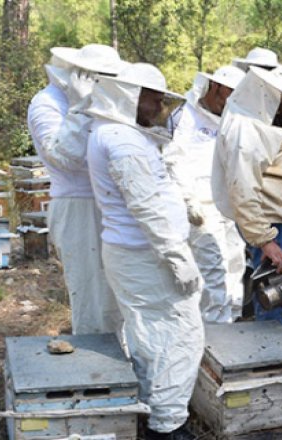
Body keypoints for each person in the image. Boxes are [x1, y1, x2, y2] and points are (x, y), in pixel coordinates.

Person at [86, 63, 202, 439]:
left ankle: (152, 410)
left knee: (149, 335)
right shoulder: (122, 141)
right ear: (129, 95)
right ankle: (168, 426)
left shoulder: (111, 133)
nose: (159, 106)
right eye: (154, 98)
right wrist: (176, 254)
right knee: (176, 336)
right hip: (147, 256)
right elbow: (145, 205)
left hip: (134, 253)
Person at [212, 65, 282, 334]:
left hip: (277, 221)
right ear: (275, 94)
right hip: (271, 224)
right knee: (281, 298)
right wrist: (265, 241)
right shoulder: (247, 128)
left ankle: (279, 357)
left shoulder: (263, 119)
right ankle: (277, 365)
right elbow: (242, 188)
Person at [26, 44, 126, 335]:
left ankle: (125, 368)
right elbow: (65, 157)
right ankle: (97, 372)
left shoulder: (100, 100)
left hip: (111, 202)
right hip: (79, 206)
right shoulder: (46, 103)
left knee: (118, 293)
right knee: (93, 298)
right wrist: (81, 107)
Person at [164, 65, 247, 323]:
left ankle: (232, 319)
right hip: (200, 207)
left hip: (227, 202)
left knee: (235, 263)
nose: (231, 101)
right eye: (229, 93)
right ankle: (214, 330)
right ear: (214, 87)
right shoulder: (184, 115)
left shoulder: (231, 117)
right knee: (212, 269)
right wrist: (188, 201)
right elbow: (171, 160)